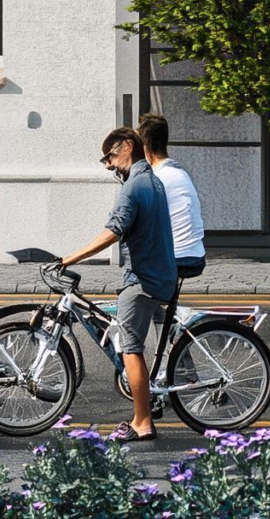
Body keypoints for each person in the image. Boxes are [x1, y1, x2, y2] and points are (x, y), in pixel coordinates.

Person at [58, 125, 177, 440]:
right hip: (159, 273)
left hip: (142, 280)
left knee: (130, 349)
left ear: (127, 146)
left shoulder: (134, 186)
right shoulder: (153, 180)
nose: (109, 165)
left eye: (109, 157)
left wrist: (70, 258)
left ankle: (142, 422)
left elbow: (114, 230)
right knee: (134, 338)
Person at [137, 110, 206, 285]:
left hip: (175, 256)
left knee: (131, 274)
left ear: (144, 146)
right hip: (195, 254)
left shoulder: (156, 179)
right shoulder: (178, 172)